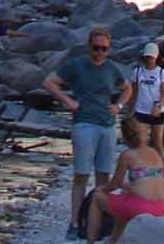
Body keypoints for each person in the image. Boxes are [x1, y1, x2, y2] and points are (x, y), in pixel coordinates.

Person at [45, 24, 132, 238]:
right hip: (84, 123)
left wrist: (119, 106)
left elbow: (127, 88)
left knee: (104, 175)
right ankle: (74, 223)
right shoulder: (76, 65)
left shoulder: (111, 68)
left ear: (109, 48)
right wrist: (68, 101)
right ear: (89, 46)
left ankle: (98, 221)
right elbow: (49, 82)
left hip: (107, 125)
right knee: (81, 175)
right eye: (96, 47)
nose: (100, 52)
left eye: (104, 48)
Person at [82, 117, 164, 240]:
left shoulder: (127, 155)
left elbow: (114, 185)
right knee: (124, 203)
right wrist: (129, 187)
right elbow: (149, 180)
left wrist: (101, 188)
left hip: (139, 207)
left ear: (125, 137)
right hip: (159, 206)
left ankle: (90, 241)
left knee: (97, 197)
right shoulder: (155, 153)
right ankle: (113, 240)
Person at [129, 41, 164, 149]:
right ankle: (143, 164)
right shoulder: (137, 71)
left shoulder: (162, 72)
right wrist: (130, 110)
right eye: (147, 57)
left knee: (157, 143)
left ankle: (159, 164)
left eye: (151, 57)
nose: (149, 59)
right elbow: (133, 91)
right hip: (141, 110)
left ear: (156, 57)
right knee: (140, 142)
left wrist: (159, 105)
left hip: (157, 112)